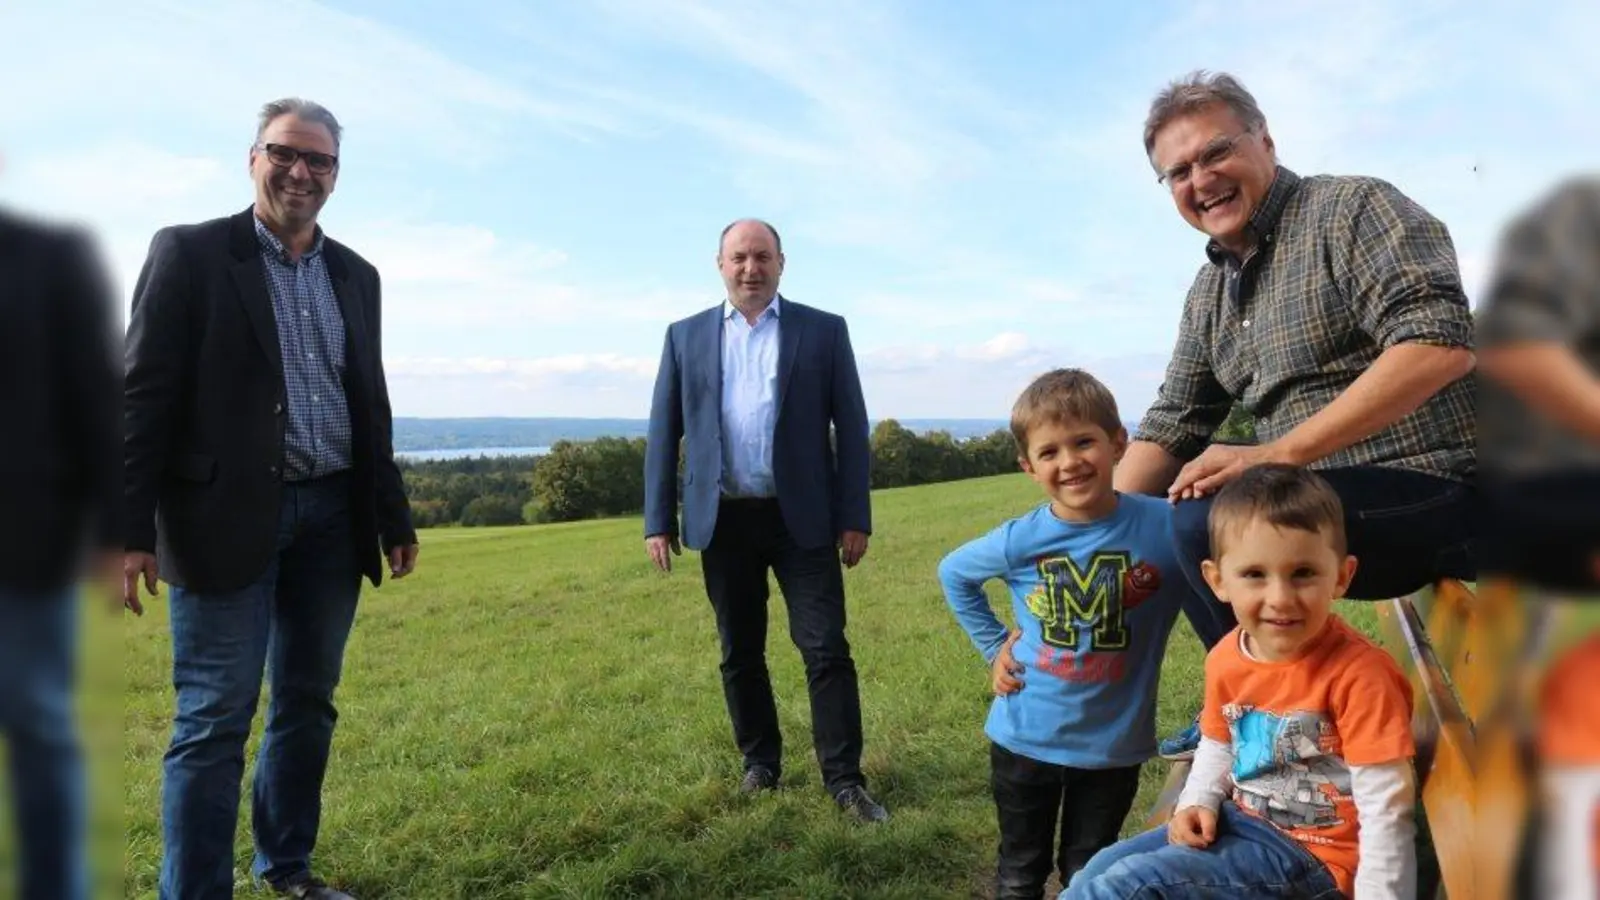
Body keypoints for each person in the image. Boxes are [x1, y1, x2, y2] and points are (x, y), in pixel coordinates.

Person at [1115, 70, 1477, 760]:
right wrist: (1081, 533)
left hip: (1433, 488)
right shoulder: (1210, 293)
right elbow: (1172, 420)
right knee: (1163, 520)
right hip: (1320, 510)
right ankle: (1253, 704)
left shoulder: (1351, 210)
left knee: (1210, 517)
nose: (1202, 179)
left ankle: (1278, 721)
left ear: (1266, 142)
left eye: (1216, 152)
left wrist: (1271, 455)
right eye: (1179, 172)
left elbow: (1438, 346)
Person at [124, 97, 419, 900]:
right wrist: (127, 530)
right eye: (285, 153)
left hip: (331, 518)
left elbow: (369, 401)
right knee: (214, 720)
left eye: (319, 160)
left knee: (307, 704)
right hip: (218, 523)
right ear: (252, 157)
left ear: (335, 175)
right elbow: (143, 397)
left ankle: (286, 868)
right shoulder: (188, 254)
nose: (301, 171)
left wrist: (391, 514)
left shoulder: (357, 274)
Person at [1062, 463, 1418, 900]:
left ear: (1341, 576)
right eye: (1254, 574)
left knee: (1124, 889)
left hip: (1316, 858)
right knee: (1095, 871)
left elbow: (1386, 805)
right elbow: (1218, 741)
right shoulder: (1228, 657)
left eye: (1303, 572)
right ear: (1218, 581)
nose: (1280, 598)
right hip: (1243, 822)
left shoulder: (1361, 675)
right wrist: (1199, 801)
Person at [642, 218, 887, 823]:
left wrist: (855, 515)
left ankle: (845, 780)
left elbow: (851, 430)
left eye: (762, 257)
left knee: (825, 647)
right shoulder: (684, 337)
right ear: (719, 264)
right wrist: (657, 519)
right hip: (722, 519)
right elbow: (661, 431)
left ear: (782, 263)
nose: (751, 268)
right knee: (739, 651)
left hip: (802, 518)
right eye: (739, 258)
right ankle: (761, 764)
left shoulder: (824, 332)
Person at [937, 369, 1189, 899]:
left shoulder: (1167, 527)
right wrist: (992, 648)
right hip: (1024, 737)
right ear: (1029, 467)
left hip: (1113, 747)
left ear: (1119, 442)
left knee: (1089, 873)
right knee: (1019, 872)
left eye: (1083, 442)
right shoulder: (1020, 539)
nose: (1069, 462)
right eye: (1049, 452)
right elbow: (954, 573)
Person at [0, 202, 122, 900]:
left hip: (23, 542)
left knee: (40, 728)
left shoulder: (49, 256)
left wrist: (114, 530)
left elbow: (98, 399)